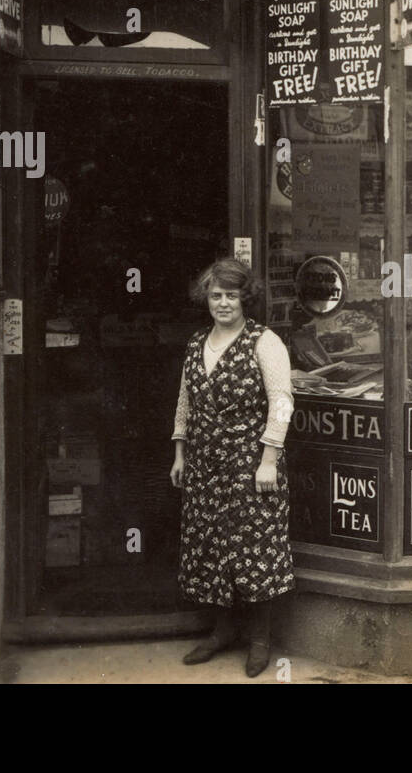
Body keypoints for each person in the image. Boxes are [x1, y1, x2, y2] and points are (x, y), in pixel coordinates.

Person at [169, 258, 294, 676]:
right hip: (205, 465)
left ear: (246, 298)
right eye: (216, 295)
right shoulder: (196, 343)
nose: (223, 303)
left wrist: (269, 460)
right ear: (206, 298)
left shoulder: (264, 341)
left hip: (251, 463)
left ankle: (260, 641)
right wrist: (180, 453)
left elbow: (282, 402)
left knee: (254, 551)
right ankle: (222, 633)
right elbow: (186, 401)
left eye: (231, 295)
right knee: (211, 548)